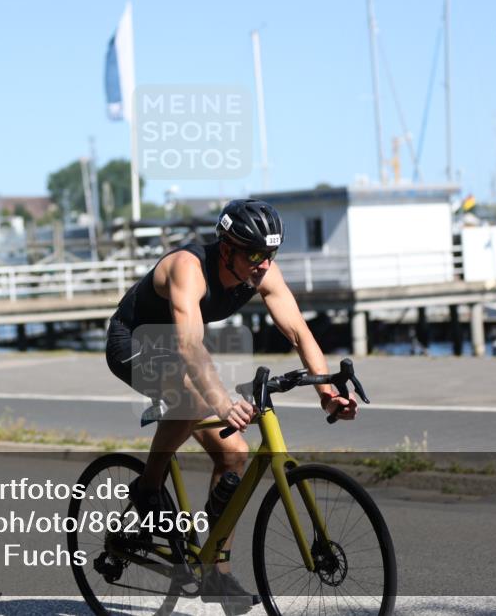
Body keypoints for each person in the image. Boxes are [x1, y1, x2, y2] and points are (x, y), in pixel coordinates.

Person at [105, 199, 358, 610]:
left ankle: (216, 574)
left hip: (179, 349)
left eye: (271, 254)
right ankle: (148, 487)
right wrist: (220, 401)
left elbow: (297, 331)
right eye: (256, 254)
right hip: (133, 343)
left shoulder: (261, 271)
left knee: (235, 455)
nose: (264, 264)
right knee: (191, 397)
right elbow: (189, 345)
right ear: (227, 248)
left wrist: (328, 396)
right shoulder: (187, 268)